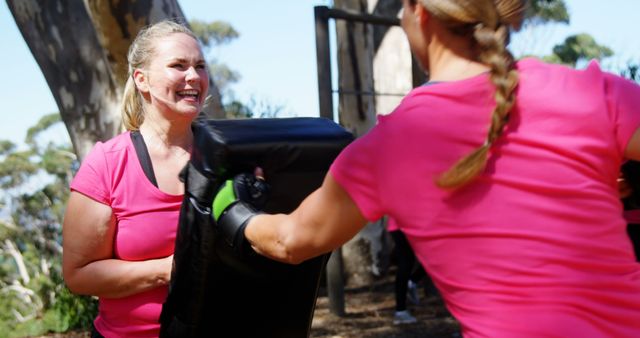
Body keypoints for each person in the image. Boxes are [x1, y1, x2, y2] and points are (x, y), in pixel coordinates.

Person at [213, 0, 640, 336]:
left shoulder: (387, 148)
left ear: (419, 12)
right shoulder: (592, 92)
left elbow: (291, 241)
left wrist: (232, 209)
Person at [62, 20, 209, 337]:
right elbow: (78, 275)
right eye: (178, 65)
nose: (194, 76)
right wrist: (168, 269)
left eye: (200, 66)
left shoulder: (228, 156)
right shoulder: (108, 163)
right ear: (142, 80)